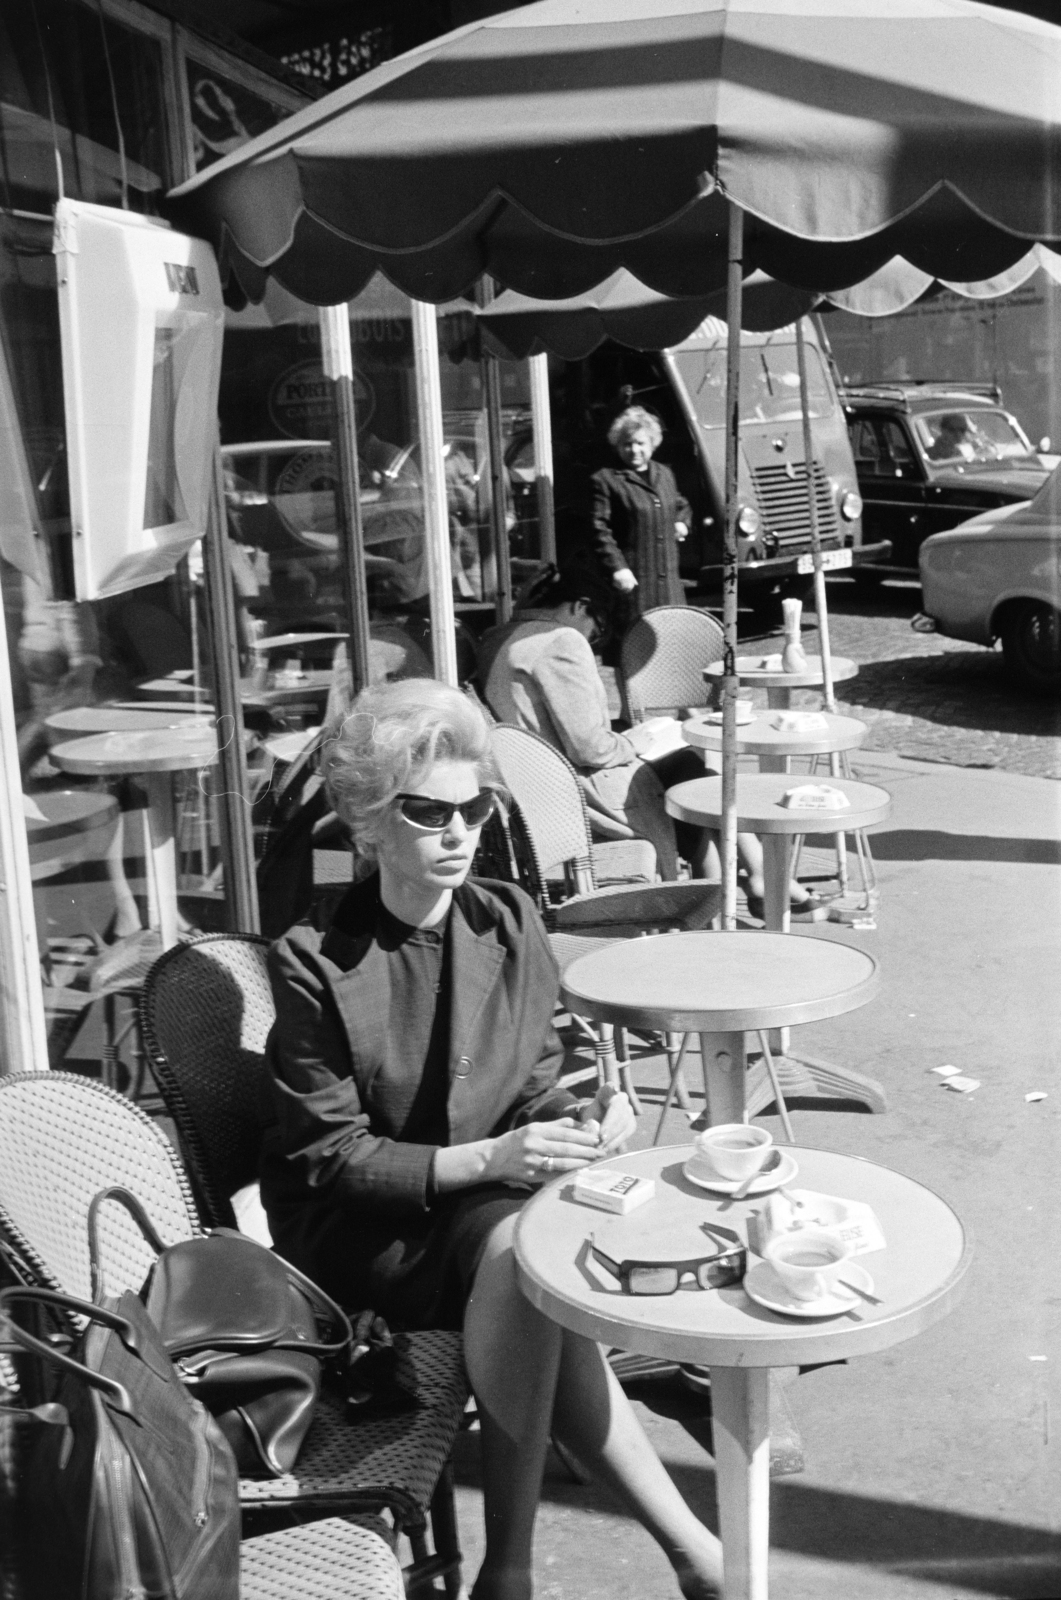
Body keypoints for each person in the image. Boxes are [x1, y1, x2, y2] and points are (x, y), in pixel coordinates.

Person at [260, 679, 724, 1600]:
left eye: (475, 808)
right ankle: (570, 1563)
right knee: (527, 1261)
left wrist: (578, 1117)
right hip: (368, 1233)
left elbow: (540, 1073)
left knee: (524, 1259)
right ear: (370, 821)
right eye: (429, 811)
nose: (458, 831)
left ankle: (644, 1562)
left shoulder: (506, 917)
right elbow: (327, 1158)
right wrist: (491, 1162)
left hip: (492, 1210)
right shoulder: (314, 957)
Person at [480, 565, 821, 913]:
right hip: (579, 792)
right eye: (596, 632)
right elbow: (590, 749)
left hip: (540, 782)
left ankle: (733, 891)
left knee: (688, 774)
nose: (591, 641)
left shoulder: (500, 635)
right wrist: (633, 742)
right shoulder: (560, 642)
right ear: (579, 607)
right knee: (688, 779)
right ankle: (742, 887)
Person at [590, 406, 691, 615]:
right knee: (634, 642)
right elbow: (598, 529)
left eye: (640, 443)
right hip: (633, 585)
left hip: (669, 584)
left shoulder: (665, 474)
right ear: (618, 446)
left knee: (671, 639)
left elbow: (680, 504)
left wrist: (681, 522)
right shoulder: (605, 480)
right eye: (627, 444)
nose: (634, 450)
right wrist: (618, 568)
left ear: (653, 444)